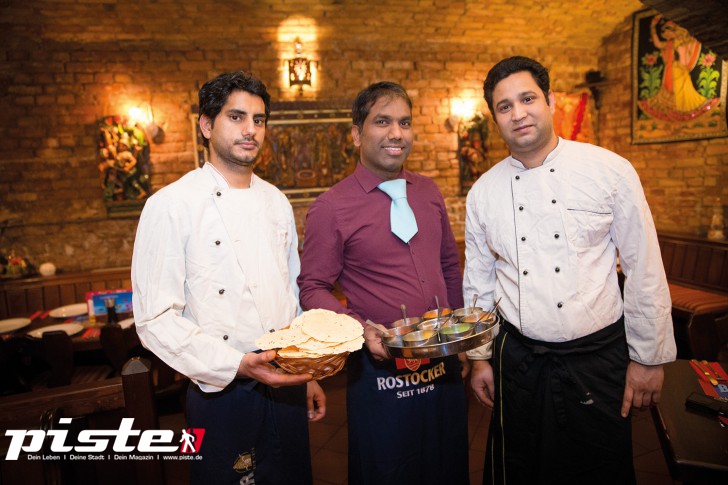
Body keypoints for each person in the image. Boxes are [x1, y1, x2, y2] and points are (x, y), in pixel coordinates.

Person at [464, 56, 676, 485]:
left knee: (600, 469)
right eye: (504, 106)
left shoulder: (610, 170)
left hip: (597, 361)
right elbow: (479, 283)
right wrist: (479, 357)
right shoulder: (483, 192)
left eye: (527, 99)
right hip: (518, 362)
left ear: (550, 101)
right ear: (495, 118)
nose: (518, 113)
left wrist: (649, 358)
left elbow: (644, 267)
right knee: (521, 469)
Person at [131, 70, 325, 484]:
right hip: (219, 389)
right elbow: (154, 319)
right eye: (236, 117)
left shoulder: (276, 201)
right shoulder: (171, 205)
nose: (250, 129)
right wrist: (237, 364)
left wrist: (303, 373)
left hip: (285, 381)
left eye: (258, 119)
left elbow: (290, 298)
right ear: (206, 125)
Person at [298, 81, 469, 485]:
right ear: (356, 134)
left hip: (441, 358)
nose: (396, 133)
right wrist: (361, 330)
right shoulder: (331, 207)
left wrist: (461, 334)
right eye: (382, 122)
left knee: (447, 462)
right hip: (380, 368)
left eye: (404, 123)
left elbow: (449, 265)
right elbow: (312, 287)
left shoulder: (428, 192)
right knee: (389, 469)